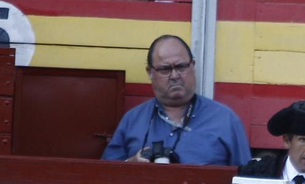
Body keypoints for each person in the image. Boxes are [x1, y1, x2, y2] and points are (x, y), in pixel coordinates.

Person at [102, 35, 251, 165]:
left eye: (181, 67)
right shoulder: (132, 120)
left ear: (192, 66)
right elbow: (105, 177)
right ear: (150, 72)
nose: (174, 76)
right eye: (165, 69)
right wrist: (131, 164)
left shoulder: (226, 120)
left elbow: (247, 179)